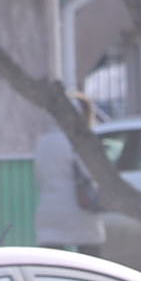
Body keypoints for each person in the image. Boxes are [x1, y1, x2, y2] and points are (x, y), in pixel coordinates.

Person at [33, 96, 109, 252]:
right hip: (80, 212)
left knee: (53, 266)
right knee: (89, 263)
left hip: (49, 211)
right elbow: (93, 173)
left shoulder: (43, 142)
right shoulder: (80, 142)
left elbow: (40, 177)